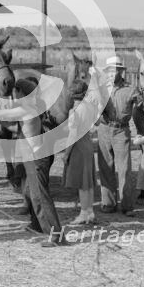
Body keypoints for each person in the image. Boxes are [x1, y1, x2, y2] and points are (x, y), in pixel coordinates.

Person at [12, 78, 65, 247]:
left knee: (40, 197)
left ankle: (56, 235)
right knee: (31, 193)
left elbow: (7, 121)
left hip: (37, 159)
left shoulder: (27, 109)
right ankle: (37, 225)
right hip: (32, 157)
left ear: (20, 92)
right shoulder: (32, 105)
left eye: (15, 91)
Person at [96, 56, 144, 216]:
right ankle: (108, 203)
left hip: (121, 131)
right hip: (103, 129)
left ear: (121, 71)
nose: (112, 73)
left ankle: (127, 205)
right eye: (109, 70)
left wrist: (141, 130)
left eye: (115, 70)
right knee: (105, 167)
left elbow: (139, 112)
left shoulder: (131, 90)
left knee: (124, 169)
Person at [62, 79, 99, 225]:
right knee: (88, 182)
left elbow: (73, 135)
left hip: (78, 147)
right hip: (88, 145)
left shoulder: (74, 111)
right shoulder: (89, 107)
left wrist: (66, 154)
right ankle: (90, 211)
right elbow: (97, 123)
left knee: (82, 184)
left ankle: (84, 213)